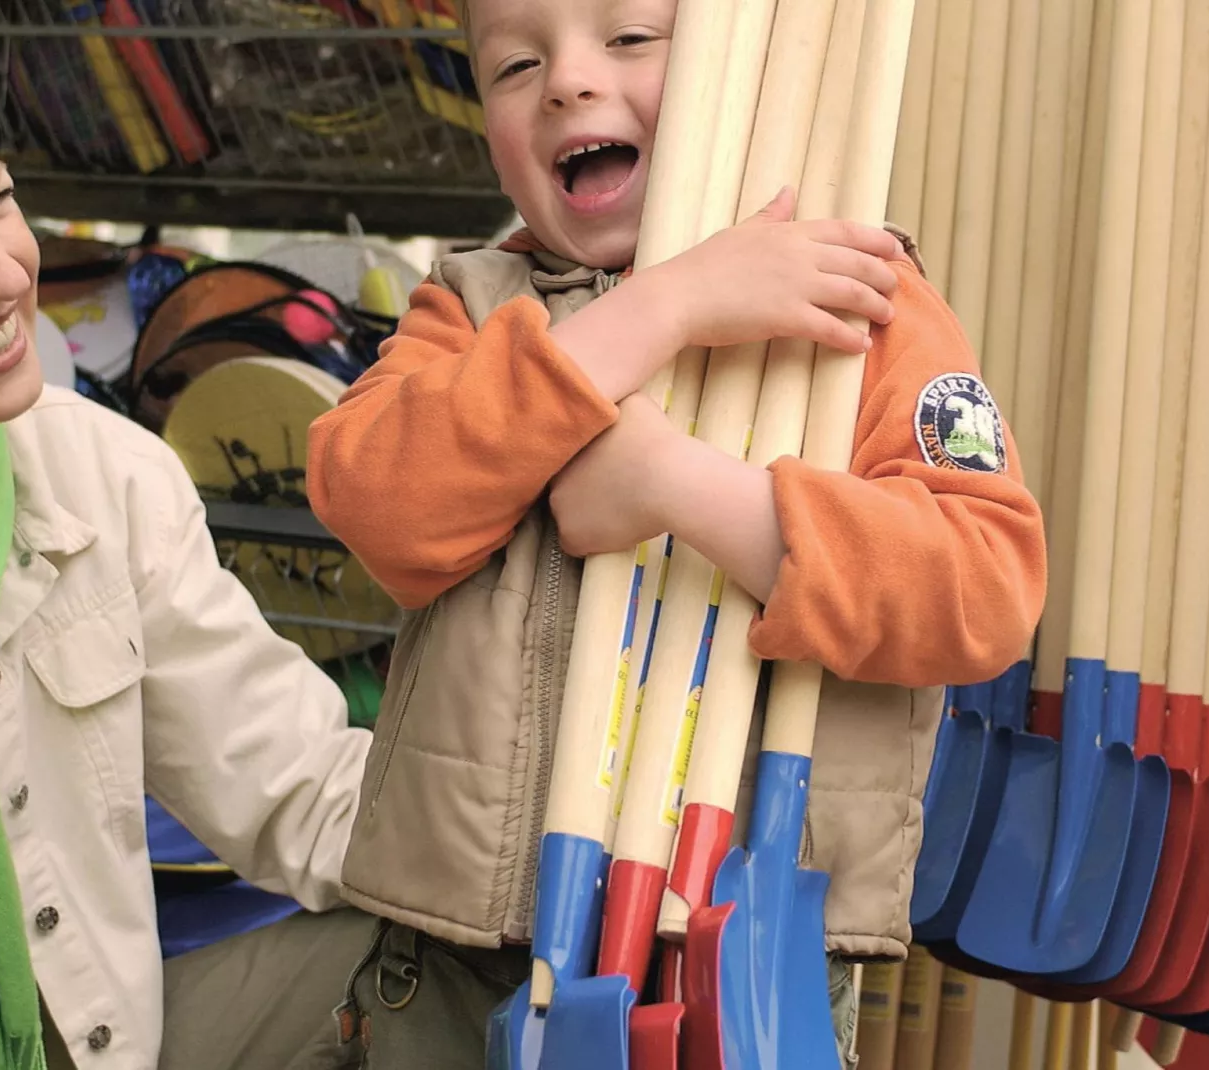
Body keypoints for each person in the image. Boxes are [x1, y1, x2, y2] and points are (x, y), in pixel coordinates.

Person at [305, 0, 1050, 1066]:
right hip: (460, 968)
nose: (565, 80)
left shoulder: (862, 308)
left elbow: (980, 591)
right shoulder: (473, 308)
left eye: (630, 39)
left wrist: (677, 484)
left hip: (734, 975)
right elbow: (372, 497)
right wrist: (662, 309)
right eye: (515, 64)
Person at [0, 15, 377, 1070]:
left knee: (456, 951)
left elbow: (297, 787)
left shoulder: (100, 473)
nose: (3, 274)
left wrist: (582, 849)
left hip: (92, 1036)